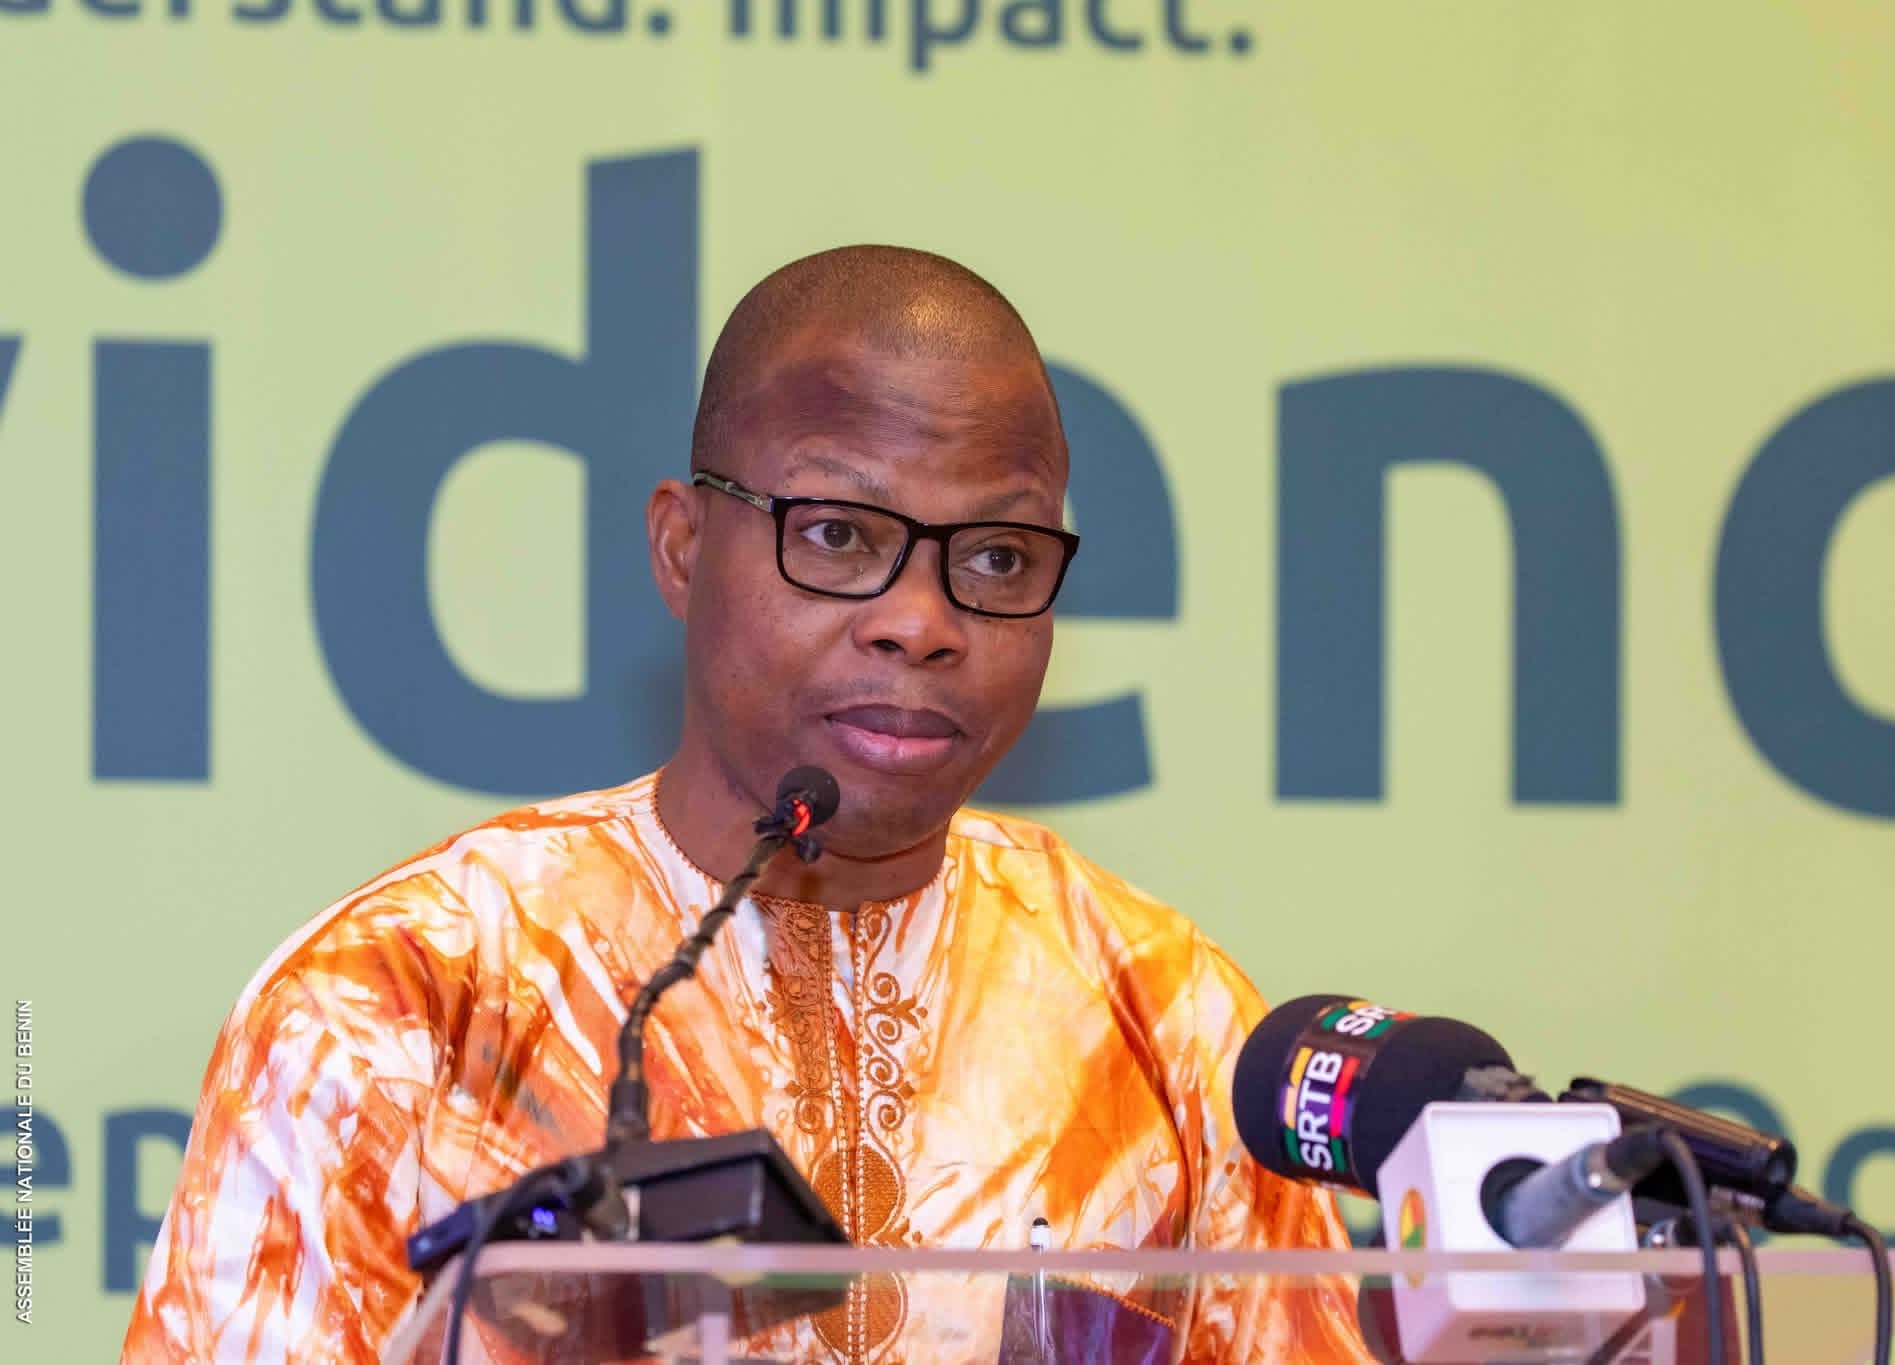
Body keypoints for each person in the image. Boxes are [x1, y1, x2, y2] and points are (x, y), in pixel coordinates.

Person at [122, 247, 1370, 1363]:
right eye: (835, 535)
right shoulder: (401, 1003)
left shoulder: (1169, 1020)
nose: (919, 622)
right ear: (681, 549)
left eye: (996, 558)